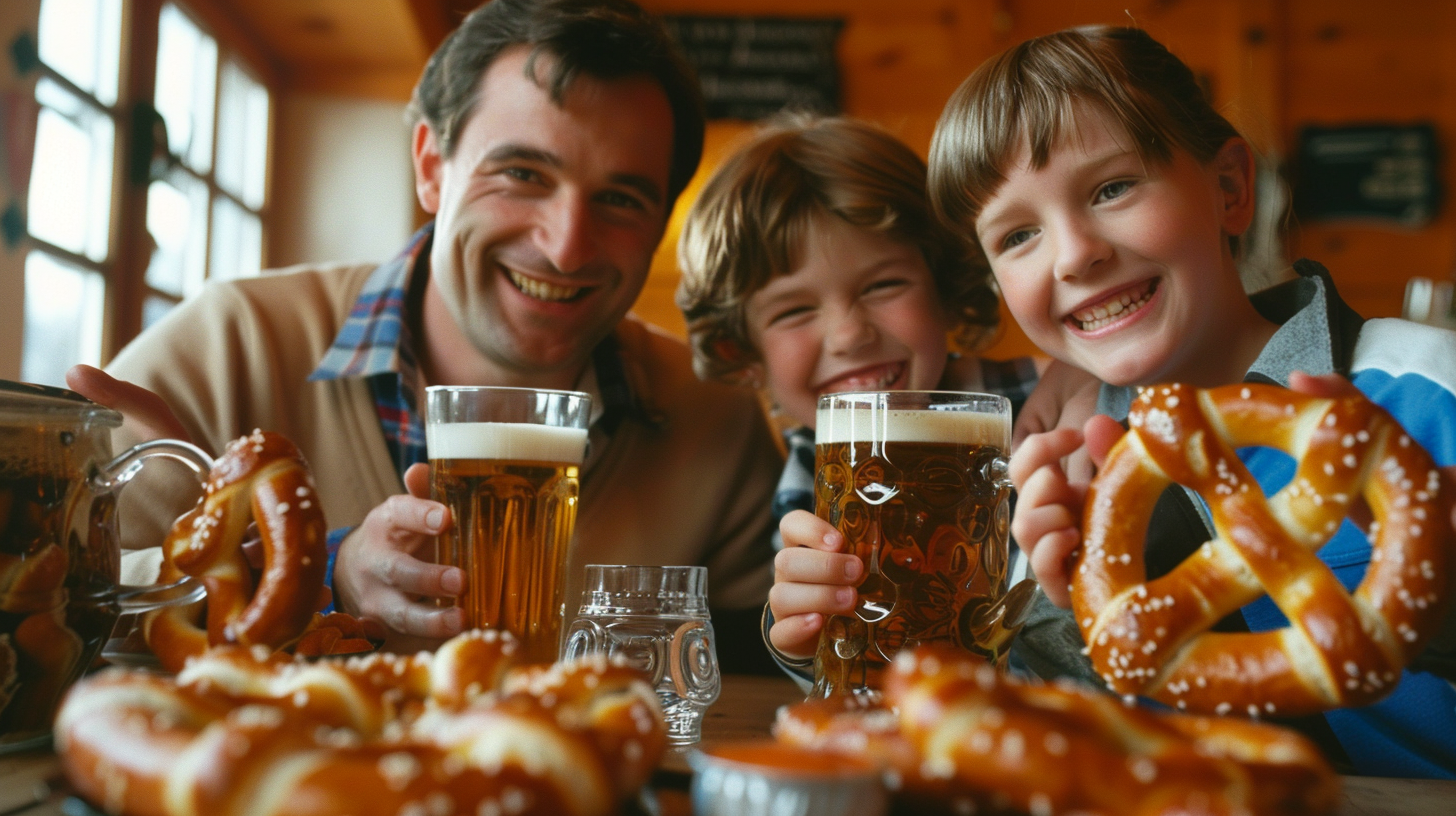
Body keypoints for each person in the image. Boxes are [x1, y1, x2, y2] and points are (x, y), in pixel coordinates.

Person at [70, 0, 784, 667]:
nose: (566, 246)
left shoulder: (712, 416)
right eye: (523, 173)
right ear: (432, 167)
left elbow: (774, 672)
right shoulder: (231, 345)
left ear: (660, 223)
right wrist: (307, 580)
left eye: (621, 199)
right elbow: (40, 599)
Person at [922, 25, 1456, 777]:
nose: (1075, 254)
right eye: (1018, 236)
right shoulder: (1070, 472)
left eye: (1113, 189)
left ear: (1230, 189)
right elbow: (1063, 754)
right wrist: (1069, 622)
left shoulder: (1429, 388)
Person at [674, 114, 1096, 682]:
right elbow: (834, 648)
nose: (849, 335)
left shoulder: (1064, 402)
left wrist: (1096, 369)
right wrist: (801, 645)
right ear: (745, 354)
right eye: (794, 311)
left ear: (946, 289)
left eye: (882, 286)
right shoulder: (812, 466)